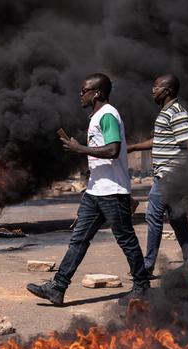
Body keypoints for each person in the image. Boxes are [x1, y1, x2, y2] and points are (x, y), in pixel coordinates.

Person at [26, 73, 150, 306]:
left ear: (98, 93)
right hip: (95, 192)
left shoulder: (108, 115)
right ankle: (58, 286)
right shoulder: (96, 116)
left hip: (113, 191)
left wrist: (79, 148)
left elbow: (113, 150)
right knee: (78, 239)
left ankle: (142, 287)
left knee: (126, 240)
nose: (80, 95)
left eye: (84, 91)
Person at [128, 74, 188, 277]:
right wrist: (132, 148)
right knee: (177, 218)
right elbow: (157, 141)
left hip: (169, 176)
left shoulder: (176, 112)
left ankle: (147, 265)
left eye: (156, 87)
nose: (153, 90)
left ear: (167, 90)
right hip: (169, 175)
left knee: (153, 216)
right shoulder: (166, 112)